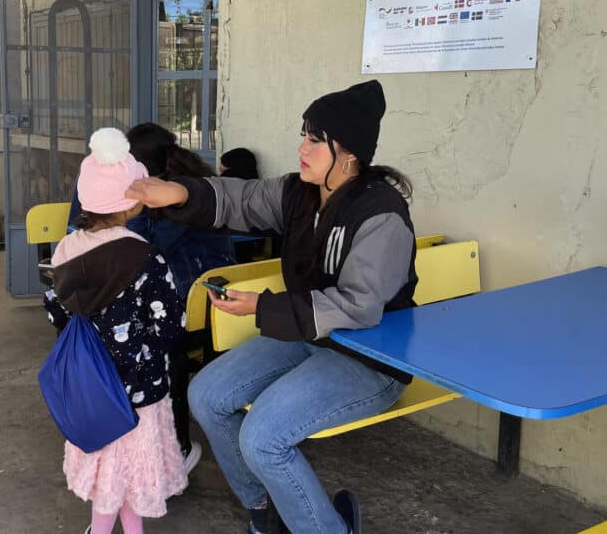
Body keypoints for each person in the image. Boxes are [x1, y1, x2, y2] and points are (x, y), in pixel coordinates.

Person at [126, 80, 417, 534]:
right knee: (206, 395)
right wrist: (181, 193)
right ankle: (265, 511)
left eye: (314, 139)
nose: (301, 147)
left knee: (261, 438)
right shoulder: (298, 193)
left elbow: (359, 307)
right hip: (308, 336)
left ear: (350, 153)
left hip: (370, 356)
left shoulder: (382, 213)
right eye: (303, 134)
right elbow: (240, 198)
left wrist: (263, 311)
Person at [68, 122, 237, 474]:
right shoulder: (132, 191)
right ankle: (126, 439)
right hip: (177, 291)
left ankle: (173, 449)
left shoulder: (180, 197)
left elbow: (141, 253)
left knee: (150, 352)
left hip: (200, 300)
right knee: (114, 338)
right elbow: (87, 234)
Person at [44, 128, 187, 534]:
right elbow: (169, 325)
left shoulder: (66, 249)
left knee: (111, 472)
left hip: (89, 386)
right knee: (129, 473)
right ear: (130, 203)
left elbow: (54, 309)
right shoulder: (146, 257)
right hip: (140, 391)